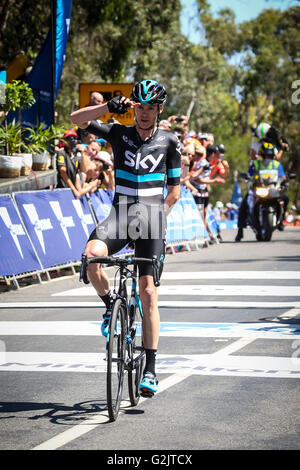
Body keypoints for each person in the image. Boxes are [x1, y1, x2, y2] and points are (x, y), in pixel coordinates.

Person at [70, 79, 181, 397]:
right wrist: (108, 107)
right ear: (133, 108)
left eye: (150, 108)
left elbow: (173, 192)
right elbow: (75, 119)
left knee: (148, 294)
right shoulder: (118, 132)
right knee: (91, 257)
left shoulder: (170, 142)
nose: (144, 114)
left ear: (159, 109)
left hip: (151, 220)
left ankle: (150, 370)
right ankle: (111, 305)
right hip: (120, 216)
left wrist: (159, 218)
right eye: (139, 107)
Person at [235, 142, 287, 241]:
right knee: (244, 205)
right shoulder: (256, 164)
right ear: (262, 155)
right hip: (259, 189)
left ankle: (281, 221)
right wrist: (246, 176)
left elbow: (282, 176)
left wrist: (284, 180)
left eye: (270, 155)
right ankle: (240, 231)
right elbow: (248, 174)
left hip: (273, 189)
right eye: (266, 155)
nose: (268, 157)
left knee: (286, 198)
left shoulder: (277, 164)